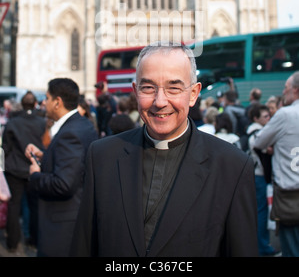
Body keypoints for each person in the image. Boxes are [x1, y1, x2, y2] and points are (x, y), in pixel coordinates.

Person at [70, 42, 258, 257]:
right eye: (148, 88)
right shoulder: (102, 156)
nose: (160, 102)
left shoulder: (232, 166)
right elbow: (84, 246)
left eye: (174, 88)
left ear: (194, 94)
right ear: (135, 91)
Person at [25, 78, 98, 257]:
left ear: (57, 102)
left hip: (62, 226)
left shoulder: (70, 133)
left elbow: (63, 184)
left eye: (47, 98)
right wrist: (46, 155)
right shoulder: (80, 124)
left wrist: (35, 176)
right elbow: (74, 164)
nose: (44, 102)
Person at [254, 72, 299, 257]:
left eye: (286, 88)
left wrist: (274, 146)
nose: (283, 92)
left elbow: (259, 142)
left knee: (292, 247)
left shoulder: (286, 114)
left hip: (291, 196)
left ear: (296, 90)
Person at [2, 91, 46, 252]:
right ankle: (32, 240)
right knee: (33, 205)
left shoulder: (14, 122)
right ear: (35, 104)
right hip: (30, 167)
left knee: (15, 205)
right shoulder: (41, 122)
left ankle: (13, 243)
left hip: (17, 168)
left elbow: (5, 147)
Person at [247, 104, 276, 256]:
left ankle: (262, 245)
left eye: (269, 115)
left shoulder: (254, 131)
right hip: (259, 177)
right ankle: (262, 247)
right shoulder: (256, 134)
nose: (268, 118)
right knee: (261, 212)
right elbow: (266, 148)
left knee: (260, 211)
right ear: (256, 118)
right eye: (265, 116)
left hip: (258, 176)